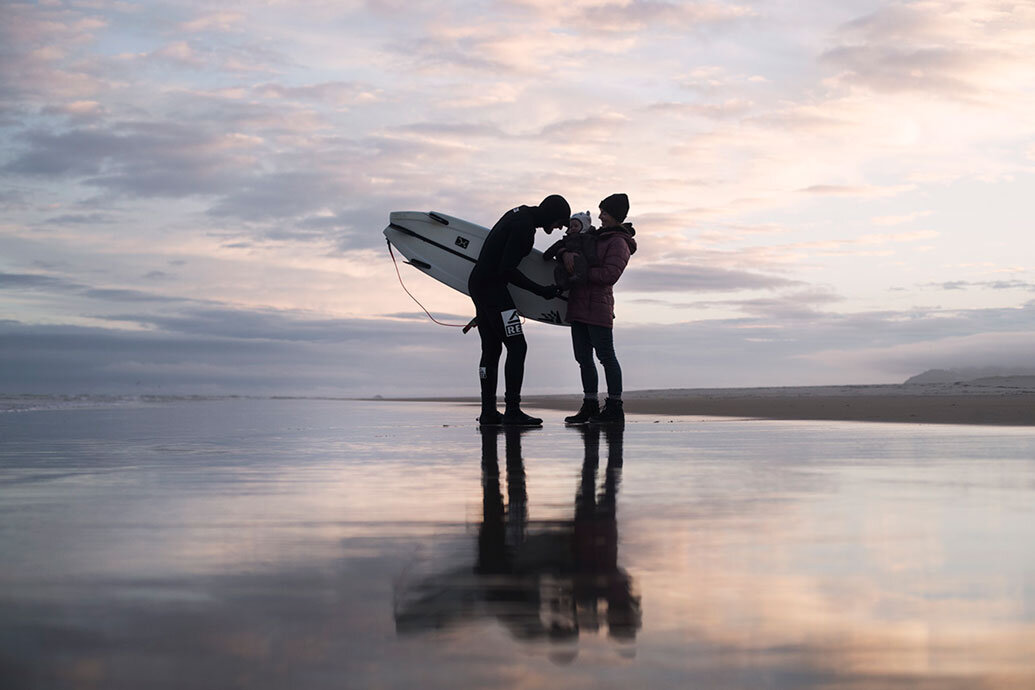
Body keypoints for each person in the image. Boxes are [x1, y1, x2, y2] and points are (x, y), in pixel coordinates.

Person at [469, 195, 569, 427]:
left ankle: (488, 413)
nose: (558, 228)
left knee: (491, 349)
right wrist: (540, 290)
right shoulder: (524, 227)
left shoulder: (518, 214)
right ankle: (512, 411)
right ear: (551, 215)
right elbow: (507, 270)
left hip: (480, 285)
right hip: (493, 289)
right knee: (517, 346)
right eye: (559, 223)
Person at [555, 194, 636, 425]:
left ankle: (614, 407)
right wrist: (565, 254)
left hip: (598, 306)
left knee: (606, 357)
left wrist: (579, 272)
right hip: (579, 303)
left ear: (617, 216)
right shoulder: (597, 237)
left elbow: (610, 275)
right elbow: (569, 244)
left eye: (605, 213)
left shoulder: (619, 242)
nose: (600, 216)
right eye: (601, 212)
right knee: (583, 358)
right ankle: (590, 405)